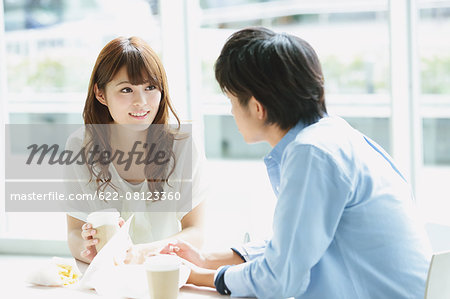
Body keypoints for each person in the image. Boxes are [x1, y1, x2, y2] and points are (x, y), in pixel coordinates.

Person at [161, 27, 432, 298]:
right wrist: (207, 259)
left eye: (231, 100)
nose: (231, 111)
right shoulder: (335, 136)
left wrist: (199, 276)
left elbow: (280, 279)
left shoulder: (312, 154)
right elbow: (294, 248)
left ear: (257, 107)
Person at [65, 36, 206, 264]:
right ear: (101, 94)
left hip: (166, 272)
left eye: (150, 87)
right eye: (126, 90)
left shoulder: (183, 143)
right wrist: (88, 249)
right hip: (108, 277)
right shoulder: (80, 146)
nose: (141, 101)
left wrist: (140, 255)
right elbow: (74, 231)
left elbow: (196, 232)